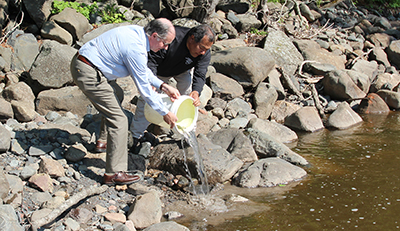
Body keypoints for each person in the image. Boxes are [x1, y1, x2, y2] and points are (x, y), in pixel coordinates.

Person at [70, 18, 181, 185]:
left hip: (88, 65)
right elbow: (144, 89)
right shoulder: (135, 48)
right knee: (120, 120)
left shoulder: (137, 33)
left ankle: (103, 141)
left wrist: (164, 86)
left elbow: (142, 70)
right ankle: (113, 174)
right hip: (89, 73)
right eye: (165, 44)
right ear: (155, 36)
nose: (165, 48)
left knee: (117, 95)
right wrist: (165, 112)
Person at [130, 24, 216, 143]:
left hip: (182, 70)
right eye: (201, 47)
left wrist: (196, 91)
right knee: (147, 99)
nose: (203, 52)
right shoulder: (171, 38)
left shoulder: (204, 51)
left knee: (188, 96)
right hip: (159, 70)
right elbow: (152, 61)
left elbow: (200, 73)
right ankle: (136, 135)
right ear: (191, 38)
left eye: (206, 49)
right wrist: (153, 83)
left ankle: (188, 131)